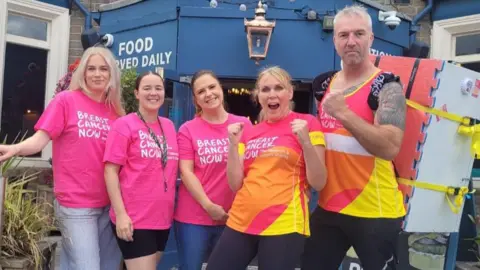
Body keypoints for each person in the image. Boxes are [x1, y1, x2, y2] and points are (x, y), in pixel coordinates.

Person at [301, 4, 407, 270]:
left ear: (371, 39)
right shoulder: (322, 84)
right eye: (343, 35)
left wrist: (344, 114)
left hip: (376, 212)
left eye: (359, 34)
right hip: (329, 208)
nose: (351, 42)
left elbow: (390, 147)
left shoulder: (388, 86)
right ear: (334, 40)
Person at [0, 47, 124, 270]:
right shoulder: (66, 101)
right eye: (91, 68)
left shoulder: (115, 111)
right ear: (83, 73)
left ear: (111, 74)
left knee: (104, 266)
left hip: (110, 205)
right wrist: (15, 148)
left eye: (103, 69)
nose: (97, 74)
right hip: (75, 204)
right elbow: (40, 140)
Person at [206, 66, 327, 270]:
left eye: (278, 88)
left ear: (289, 92)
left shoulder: (307, 123)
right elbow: (236, 184)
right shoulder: (250, 131)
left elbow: (319, 182)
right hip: (242, 219)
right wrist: (233, 145)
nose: (272, 94)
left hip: (284, 222)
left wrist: (306, 142)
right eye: (265, 89)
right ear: (258, 96)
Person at [173, 70, 252, 270]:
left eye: (211, 87)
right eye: (201, 91)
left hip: (233, 216)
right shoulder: (188, 129)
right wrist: (209, 206)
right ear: (195, 99)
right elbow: (186, 172)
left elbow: (252, 168)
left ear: (220, 89)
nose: (208, 94)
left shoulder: (243, 124)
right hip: (194, 217)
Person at [103, 71, 179, 270]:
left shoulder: (169, 126)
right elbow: (110, 171)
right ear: (137, 93)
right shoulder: (124, 125)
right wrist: (120, 214)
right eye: (147, 88)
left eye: (158, 88)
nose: (153, 93)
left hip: (162, 219)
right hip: (134, 218)